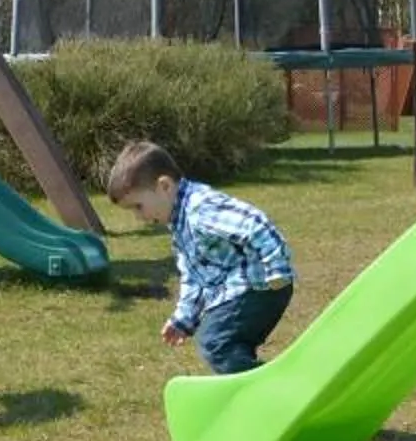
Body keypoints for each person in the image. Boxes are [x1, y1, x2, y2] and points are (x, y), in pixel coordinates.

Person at [105, 140, 296, 375]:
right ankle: (253, 384)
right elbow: (194, 276)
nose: (138, 217)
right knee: (221, 343)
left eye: (138, 206)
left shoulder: (199, 210)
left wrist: (276, 269)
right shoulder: (179, 222)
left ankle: (268, 390)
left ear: (164, 186)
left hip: (261, 286)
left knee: (216, 343)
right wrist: (184, 319)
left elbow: (255, 225)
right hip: (240, 289)